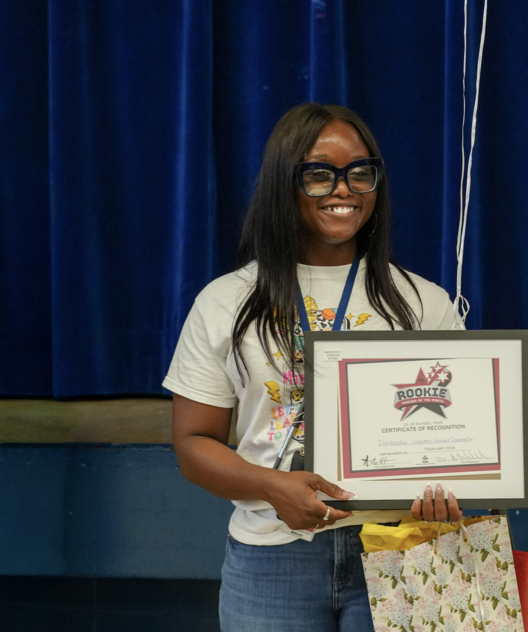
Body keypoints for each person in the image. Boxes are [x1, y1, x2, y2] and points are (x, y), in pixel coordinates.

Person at [166, 103, 462, 631]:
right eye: (320, 174)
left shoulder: (425, 303)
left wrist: (453, 490)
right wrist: (271, 486)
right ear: (286, 183)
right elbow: (193, 445)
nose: (344, 189)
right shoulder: (227, 301)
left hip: (400, 547)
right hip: (273, 556)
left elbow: (458, 440)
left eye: (359, 173)